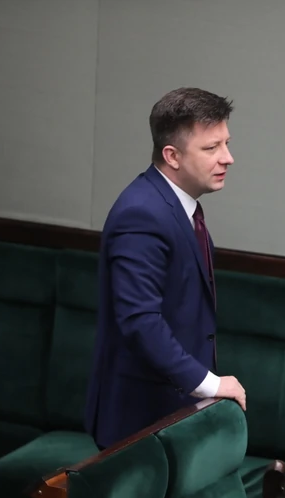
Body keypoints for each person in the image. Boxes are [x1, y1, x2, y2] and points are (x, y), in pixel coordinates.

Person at [84, 87, 247, 450]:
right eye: (211, 148)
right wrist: (210, 384)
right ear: (172, 155)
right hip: (140, 421)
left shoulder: (179, 206)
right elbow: (140, 320)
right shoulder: (141, 213)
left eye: (226, 143)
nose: (228, 158)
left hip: (174, 417)